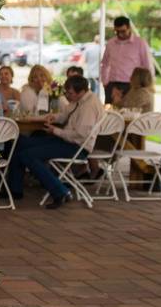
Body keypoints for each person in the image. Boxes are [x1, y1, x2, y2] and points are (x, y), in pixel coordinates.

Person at [7, 76, 103, 209]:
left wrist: (56, 131)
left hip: (77, 147)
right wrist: (48, 118)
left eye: (70, 93)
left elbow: (81, 135)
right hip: (66, 140)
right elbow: (64, 114)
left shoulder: (89, 106)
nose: (67, 96)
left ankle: (60, 191)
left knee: (27, 155)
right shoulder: (79, 100)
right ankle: (15, 190)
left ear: (81, 91)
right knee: (19, 142)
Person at [101, 16, 152, 103]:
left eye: (123, 31)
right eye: (117, 32)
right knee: (111, 114)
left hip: (133, 85)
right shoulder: (110, 43)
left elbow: (147, 65)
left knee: (131, 112)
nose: (120, 34)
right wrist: (105, 83)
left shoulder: (140, 43)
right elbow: (104, 63)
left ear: (129, 28)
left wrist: (149, 84)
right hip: (112, 84)